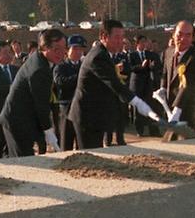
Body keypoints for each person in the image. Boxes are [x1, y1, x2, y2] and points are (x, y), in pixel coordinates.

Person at [69, 20, 160, 149]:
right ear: (103, 37)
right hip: (87, 117)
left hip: (96, 115)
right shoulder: (98, 56)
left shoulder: (105, 54)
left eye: (122, 37)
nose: (120, 41)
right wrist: (138, 103)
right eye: (117, 37)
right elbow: (114, 83)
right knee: (91, 155)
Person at [0, 29, 66, 157]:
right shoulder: (39, 69)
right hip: (16, 120)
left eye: (64, 48)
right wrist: (48, 130)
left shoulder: (42, 59)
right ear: (45, 47)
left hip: (25, 119)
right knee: (21, 160)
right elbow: (40, 103)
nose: (62, 53)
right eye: (57, 49)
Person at [160, 20, 195, 136]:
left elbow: (188, 86)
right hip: (168, 108)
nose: (183, 38)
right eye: (179, 34)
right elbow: (165, 74)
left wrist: (177, 111)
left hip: (188, 110)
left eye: (188, 35)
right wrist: (162, 89)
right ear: (173, 34)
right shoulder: (168, 52)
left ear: (192, 38)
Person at [54, 35, 85, 150]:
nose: (78, 52)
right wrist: (79, 77)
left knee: (82, 142)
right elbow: (60, 82)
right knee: (65, 141)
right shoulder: (61, 66)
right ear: (67, 50)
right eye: (75, 49)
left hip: (81, 107)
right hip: (66, 107)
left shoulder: (84, 66)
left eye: (80, 49)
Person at [128, 35, 160, 136]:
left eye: (145, 42)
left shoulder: (150, 54)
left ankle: (153, 130)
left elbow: (157, 64)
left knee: (150, 106)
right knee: (137, 108)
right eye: (141, 42)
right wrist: (141, 66)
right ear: (137, 44)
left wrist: (152, 66)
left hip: (148, 84)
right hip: (137, 84)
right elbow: (131, 68)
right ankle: (139, 130)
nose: (144, 44)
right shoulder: (131, 55)